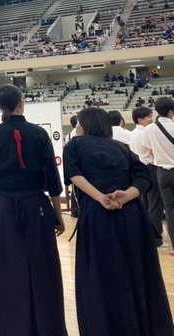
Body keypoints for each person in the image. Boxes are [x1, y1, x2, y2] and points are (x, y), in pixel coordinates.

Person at [63, 107, 173, 336]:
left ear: (86, 125)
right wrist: (127, 195)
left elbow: (74, 175)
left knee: (101, 276)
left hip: (97, 214)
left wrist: (100, 197)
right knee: (134, 270)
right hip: (131, 213)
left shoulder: (74, 145)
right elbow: (143, 176)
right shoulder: (121, 147)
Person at [0, 85, 67, 336]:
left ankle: (5, 327)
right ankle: (46, 327)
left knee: (3, 270)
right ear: (21, 103)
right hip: (36, 205)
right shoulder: (38, 134)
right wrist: (58, 215)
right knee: (42, 269)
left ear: (0, 106)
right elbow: (53, 182)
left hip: (2, 207)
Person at [142, 96, 174, 250]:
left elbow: (148, 150)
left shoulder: (150, 129)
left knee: (169, 208)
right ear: (171, 111)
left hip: (161, 172)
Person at [130, 106, 165, 245]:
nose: (151, 119)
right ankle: (155, 237)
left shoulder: (132, 133)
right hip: (151, 167)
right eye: (149, 117)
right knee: (156, 203)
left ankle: (145, 235)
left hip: (140, 169)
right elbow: (152, 152)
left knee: (145, 203)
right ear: (140, 120)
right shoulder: (146, 133)